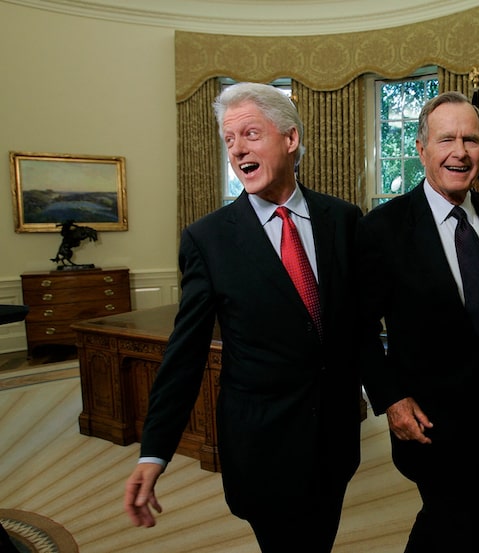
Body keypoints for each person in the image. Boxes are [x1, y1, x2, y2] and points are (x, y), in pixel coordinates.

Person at [123, 82, 363, 552]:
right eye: (229, 140)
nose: (237, 150)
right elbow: (185, 354)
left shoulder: (344, 219)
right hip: (262, 446)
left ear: (290, 139)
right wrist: (155, 451)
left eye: (250, 134)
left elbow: (357, 326)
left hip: (334, 439)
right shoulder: (207, 240)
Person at [356, 91, 479, 552]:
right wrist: (391, 401)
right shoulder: (383, 228)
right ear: (423, 149)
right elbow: (359, 329)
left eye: (472, 140)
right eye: (446, 139)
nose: (460, 152)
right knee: (455, 518)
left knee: (459, 517)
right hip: (427, 421)